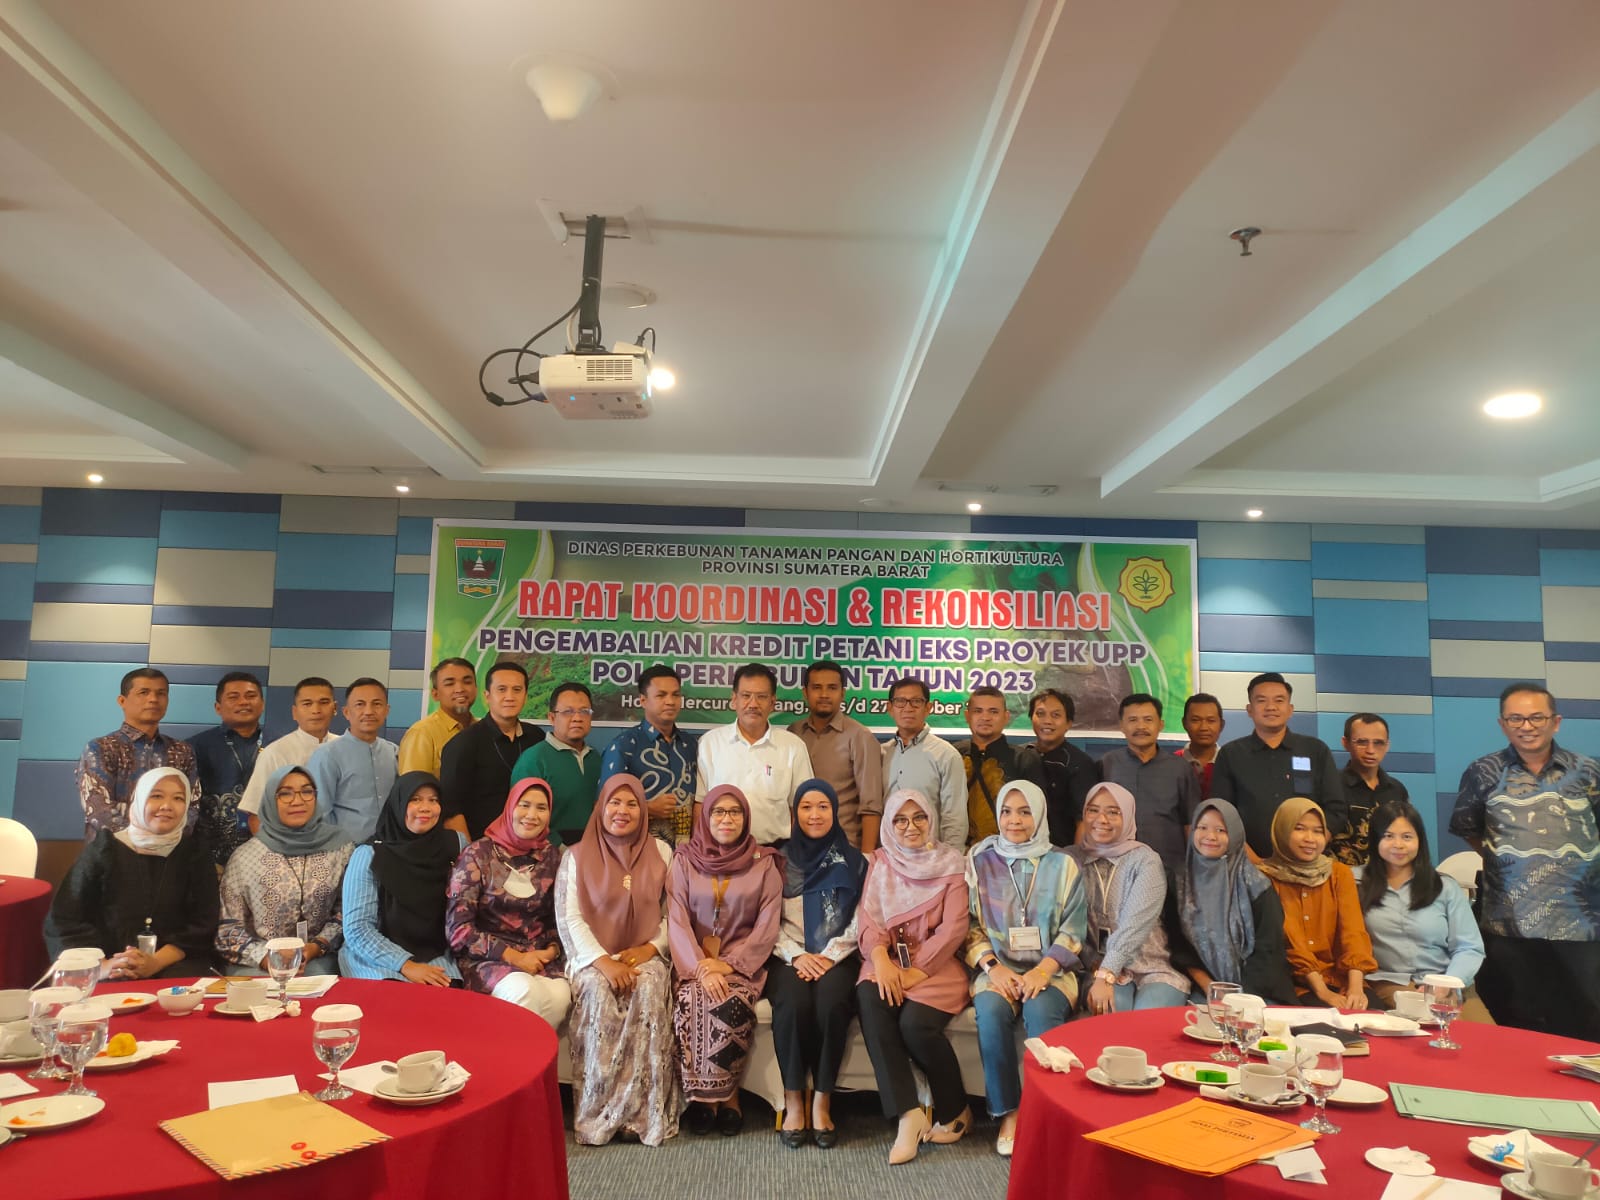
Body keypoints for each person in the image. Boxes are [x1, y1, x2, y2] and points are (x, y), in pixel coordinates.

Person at [1449, 683, 1600, 1039]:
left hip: (1580, 923)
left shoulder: (1589, 772)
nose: (1526, 726)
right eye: (1516, 718)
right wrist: (1510, 862)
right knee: (1514, 1022)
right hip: (1509, 922)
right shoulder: (1482, 771)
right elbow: (1468, 827)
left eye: (1536, 717)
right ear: (1503, 724)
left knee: (1584, 1022)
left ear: (1556, 722)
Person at [555, 773, 679, 1146]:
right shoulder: (574, 855)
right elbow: (569, 917)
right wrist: (602, 961)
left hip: (645, 952)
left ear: (643, 812)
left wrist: (651, 948)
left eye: (632, 804)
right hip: (593, 958)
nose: (622, 811)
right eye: (614, 802)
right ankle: (600, 1114)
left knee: (650, 985)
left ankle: (642, 1114)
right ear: (600, 807)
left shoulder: (663, 853)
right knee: (596, 991)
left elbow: (675, 913)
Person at [965, 780, 1086, 1157]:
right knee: (989, 1012)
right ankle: (1010, 1112)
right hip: (996, 968)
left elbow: (1073, 929)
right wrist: (993, 968)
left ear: (1040, 815)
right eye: (1006, 811)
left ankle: (1046, 1111)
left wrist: (1043, 971)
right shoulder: (980, 862)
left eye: (1024, 811)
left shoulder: (1063, 864)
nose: (1014, 820)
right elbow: (969, 925)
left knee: (1040, 1011)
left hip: (1052, 971)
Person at [856, 788, 972, 1165]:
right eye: (900, 820)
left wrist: (916, 972)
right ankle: (908, 1114)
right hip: (888, 961)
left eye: (919, 817)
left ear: (931, 820)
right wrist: (881, 959)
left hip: (936, 968)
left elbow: (953, 928)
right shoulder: (880, 862)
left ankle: (956, 1109)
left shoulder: (952, 863)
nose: (910, 827)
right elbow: (869, 920)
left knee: (915, 1025)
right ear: (888, 825)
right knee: (870, 999)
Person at [668, 784, 784, 1137]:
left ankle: (728, 1097)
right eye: (719, 811)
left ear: (746, 818)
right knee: (691, 1000)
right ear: (706, 816)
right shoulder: (685, 859)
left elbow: (767, 926)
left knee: (730, 1001)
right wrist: (701, 967)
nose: (726, 819)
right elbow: (676, 918)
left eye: (735, 812)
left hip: (741, 967)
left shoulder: (763, 864)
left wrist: (729, 965)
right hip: (694, 965)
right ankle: (703, 1100)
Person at [766, 778, 868, 1149]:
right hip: (787, 955)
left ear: (834, 812)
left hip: (836, 956)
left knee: (831, 1003)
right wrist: (797, 955)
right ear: (795, 813)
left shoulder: (856, 861)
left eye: (823, 806)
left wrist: (826, 956)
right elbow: (764, 920)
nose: (815, 814)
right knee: (792, 1003)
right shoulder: (775, 861)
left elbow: (862, 918)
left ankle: (823, 1099)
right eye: (806, 807)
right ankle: (794, 1099)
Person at [45, 767, 219, 980]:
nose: (167, 806)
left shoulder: (195, 854)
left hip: (175, 964)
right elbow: (65, 919)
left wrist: (155, 962)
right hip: (107, 965)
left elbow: (203, 923)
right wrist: (103, 966)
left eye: (178, 798)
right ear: (138, 799)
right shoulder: (104, 849)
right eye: (156, 796)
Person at [445, 779, 571, 1026]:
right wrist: (513, 956)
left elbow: (559, 919)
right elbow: (458, 931)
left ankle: (533, 1062)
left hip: (539, 958)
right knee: (523, 989)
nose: (531, 815)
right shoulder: (478, 855)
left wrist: (552, 949)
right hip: (487, 959)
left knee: (560, 996)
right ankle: (509, 1062)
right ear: (510, 807)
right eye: (524, 805)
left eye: (541, 808)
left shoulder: (552, 857)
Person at [216, 765, 354, 976]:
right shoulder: (245, 857)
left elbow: (348, 911)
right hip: (259, 961)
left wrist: (317, 946)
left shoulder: (340, 847)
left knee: (321, 982)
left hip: (320, 956)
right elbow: (228, 930)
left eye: (307, 791)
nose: (297, 801)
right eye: (285, 794)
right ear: (271, 800)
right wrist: (265, 957)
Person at [1069, 782, 1189, 1013]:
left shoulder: (1145, 860)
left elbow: (1135, 925)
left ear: (1128, 816)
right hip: (1097, 966)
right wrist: (1099, 970)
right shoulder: (1069, 860)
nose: (1101, 819)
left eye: (1113, 812)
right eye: (1093, 810)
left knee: (1147, 1020)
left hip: (1151, 966)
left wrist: (1107, 973)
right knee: (1113, 1013)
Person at [1359, 800, 1486, 1017]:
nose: (1398, 844)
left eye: (1407, 837)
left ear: (1419, 840)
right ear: (1375, 839)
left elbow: (1469, 947)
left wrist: (1446, 984)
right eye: (1388, 836)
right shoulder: (1355, 883)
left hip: (1448, 981)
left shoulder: (1445, 886)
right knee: (1431, 1033)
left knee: (1485, 1042)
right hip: (1390, 982)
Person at [1163, 798, 1296, 1004]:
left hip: (1257, 992)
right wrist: (1210, 987)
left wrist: (1238, 998)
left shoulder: (1257, 886)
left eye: (1221, 830)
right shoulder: (1179, 881)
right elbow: (1179, 946)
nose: (1210, 836)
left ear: (1234, 836)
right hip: (1204, 989)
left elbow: (1268, 951)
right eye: (1202, 827)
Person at [338, 772, 466, 984]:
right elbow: (357, 929)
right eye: (415, 799)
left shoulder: (456, 845)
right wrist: (406, 965)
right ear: (398, 803)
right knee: (395, 1001)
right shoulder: (369, 854)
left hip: (436, 953)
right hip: (376, 956)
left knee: (446, 1003)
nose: (425, 807)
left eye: (433, 800)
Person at [1257, 797, 1376, 1010]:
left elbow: (1353, 932)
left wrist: (1356, 988)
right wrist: (1323, 993)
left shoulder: (1339, 873)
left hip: (1342, 979)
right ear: (1282, 830)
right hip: (1296, 983)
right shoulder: (1265, 878)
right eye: (1299, 828)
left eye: (1318, 831)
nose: (1310, 838)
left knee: (1376, 1018)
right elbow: (1289, 940)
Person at [1210, 673, 1345, 857]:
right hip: (1247, 865)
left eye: (1279, 700)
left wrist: (1310, 847)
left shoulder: (1316, 750)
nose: (1271, 707)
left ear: (1290, 709)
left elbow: (1335, 810)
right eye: (1262, 700)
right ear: (1249, 709)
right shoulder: (1231, 754)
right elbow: (1223, 814)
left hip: (1307, 864)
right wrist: (1252, 861)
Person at [694, 664, 813, 846]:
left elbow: (802, 807)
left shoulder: (793, 746)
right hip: (721, 852)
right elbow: (700, 804)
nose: (753, 704)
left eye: (761, 697)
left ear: (773, 702)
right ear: (734, 700)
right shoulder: (710, 744)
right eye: (746, 696)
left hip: (776, 852)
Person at [77, 668, 199, 838]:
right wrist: (146, 842)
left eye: (161, 693)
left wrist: (165, 842)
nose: (153, 699)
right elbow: (98, 808)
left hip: (169, 854)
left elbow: (192, 806)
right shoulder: (101, 748)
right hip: (112, 854)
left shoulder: (182, 751)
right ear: (122, 701)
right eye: (144, 692)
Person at [439, 660, 545, 839]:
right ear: (487, 696)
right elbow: (451, 810)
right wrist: (470, 855)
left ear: (526, 696)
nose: (510, 696)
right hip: (481, 850)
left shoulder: (537, 738)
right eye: (501, 689)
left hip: (529, 846)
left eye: (517, 690)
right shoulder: (463, 744)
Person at [790, 661, 884, 852]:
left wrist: (865, 859)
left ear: (842, 693)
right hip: (800, 850)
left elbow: (871, 806)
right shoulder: (793, 733)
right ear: (805, 693)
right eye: (817, 688)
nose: (824, 694)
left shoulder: (860, 737)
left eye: (832, 688)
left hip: (844, 850)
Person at [1098, 693, 1200, 870]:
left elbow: (1190, 822)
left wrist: (1195, 866)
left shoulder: (1180, 768)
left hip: (1170, 867)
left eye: (1148, 719)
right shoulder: (1107, 764)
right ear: (1121, 725)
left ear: (1160, 724)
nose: (1141, 726)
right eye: (1133, 720)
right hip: (1118, 866)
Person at [599, 665, 698, 845]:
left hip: (687, 857)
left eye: (676, 695)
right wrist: (648, 808)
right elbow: (604, 806)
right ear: (643, 700)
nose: (670, 701)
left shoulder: (691, 745)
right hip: (638, 852)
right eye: (661, 695)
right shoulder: (624, 745)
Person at [237, 677, 340, 829]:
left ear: (335, 708)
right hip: (289, 845)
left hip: (342, 843)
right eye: (307, 704)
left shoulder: (346, 749)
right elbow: (256, 816)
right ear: (294, 712)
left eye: (323, 702)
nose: (316, 710)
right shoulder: (275, 752)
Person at [188, 671, 268, 866]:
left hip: (266, 854)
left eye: (251, 696)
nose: (243, 702)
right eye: (233, 697)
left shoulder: (280, 745)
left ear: (262, 704)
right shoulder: (193, 747)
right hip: (207, 857)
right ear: (218, 707)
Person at [305, 678, 398, 843]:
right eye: (360, 704)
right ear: (346, 712)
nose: (368, 711)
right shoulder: (327, 755)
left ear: (387, 710)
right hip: (344, 853)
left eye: (376, 704)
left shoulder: (393, 752)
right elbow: (319, 814)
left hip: (389, 851)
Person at [880, 677, 967, 850]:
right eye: (900, 701)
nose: (908, 708)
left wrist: (951, 861)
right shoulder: (881, 754)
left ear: (928, 708)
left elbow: (954, 817)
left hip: (930, 859)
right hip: (888, 858)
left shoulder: (946, 755)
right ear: (890, 708)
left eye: (916, 702)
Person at [952, 687, 1045, 847]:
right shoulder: (952, 755)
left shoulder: (1024, 759)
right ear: (967, 716)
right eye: (978, 711)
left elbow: (1038, 814)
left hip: (1009, 853)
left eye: (993, 712)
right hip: (958, 852)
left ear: (1006, 717)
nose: (985, 717)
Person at [511, 681, 600, 845]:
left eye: (584, 711)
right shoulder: (534, 760)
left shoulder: (597, 759)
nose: (577, 718)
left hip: (593, 852)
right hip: (547, 854)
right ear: (552, 717)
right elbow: (521, 818)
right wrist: (560, 850)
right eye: (568, 712)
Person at [1330, 713, 1409, 866]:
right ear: (1345, 743)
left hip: (1388, 879)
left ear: (1387, 746)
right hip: (1342, 879)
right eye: (1362, 742)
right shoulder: (1330, 785)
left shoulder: (1397, 790)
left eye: (1378, 743)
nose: (1370, 750)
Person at [1027, 689, 1097, 848]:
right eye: (1040, 714)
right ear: (1031, 718)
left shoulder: (1080, 763)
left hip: (1061, 855)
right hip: (1021, 853)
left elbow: (1084, 820)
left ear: (1068, 723)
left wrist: (1075, 860)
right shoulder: (1021, 755)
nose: (1047, 721)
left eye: (1056, 715)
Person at [398, 658, 478, 776]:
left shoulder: (484, 729)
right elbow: (413, 788)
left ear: (476, 689)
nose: (460, 689)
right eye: (450, 684)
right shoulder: (422, 733)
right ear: (435, 694)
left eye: (467, 682)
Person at [1178, 693, 1225, 796]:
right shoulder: (1172, 764)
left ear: (1221, 725)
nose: (1203, 727)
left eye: (1211, 721)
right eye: (1195, 720)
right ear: (1184, 723)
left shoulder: (1231, 763)